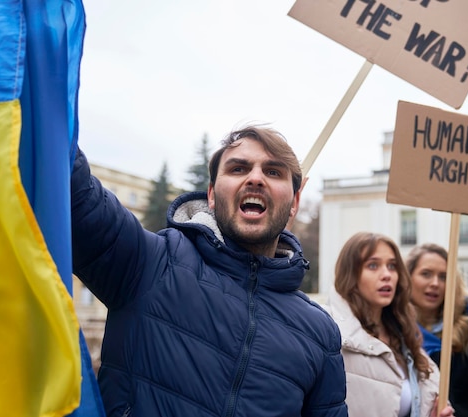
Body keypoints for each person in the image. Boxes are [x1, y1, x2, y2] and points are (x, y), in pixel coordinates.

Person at [71, 125, 348, 417]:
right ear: (212, 195)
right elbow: (74, 192)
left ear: (294, 203)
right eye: (239, 168)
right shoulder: (149, 263)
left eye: (274, 172)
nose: (255, 178)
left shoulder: (319, 333)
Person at [324, 232, 455, 417]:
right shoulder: (328, 332)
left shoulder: (405, 338)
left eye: (392, 266)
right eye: (373, 265)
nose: (386, 275)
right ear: (351, 274)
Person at [405, 243, 468, 417]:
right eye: (426, 274)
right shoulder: (392, 331)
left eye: (444, 276)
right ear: (408, 277)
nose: (435, 283)